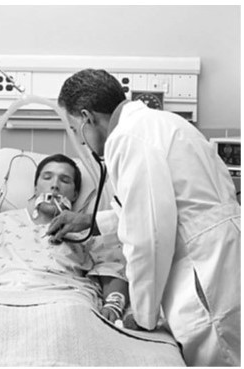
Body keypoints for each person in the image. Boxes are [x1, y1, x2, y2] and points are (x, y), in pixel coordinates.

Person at [50, 68, 240, 366]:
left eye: (75, 129)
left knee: (219, 357)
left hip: (203, 270)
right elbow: (161, 208)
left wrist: (142, 314)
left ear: (87, 117)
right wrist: (91, 221)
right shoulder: (163, 123)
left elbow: (148, 235)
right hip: (224, 253)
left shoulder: (127, 138)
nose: (81, 142)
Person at [0, 154, 129, 324]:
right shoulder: (0, 223)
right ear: (35, 187)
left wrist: (114, 303)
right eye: (47, 177)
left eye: (64, 180)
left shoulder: (88, 228)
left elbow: (111, 269)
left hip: (65, 301)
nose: (55, 186)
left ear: (75, 194)